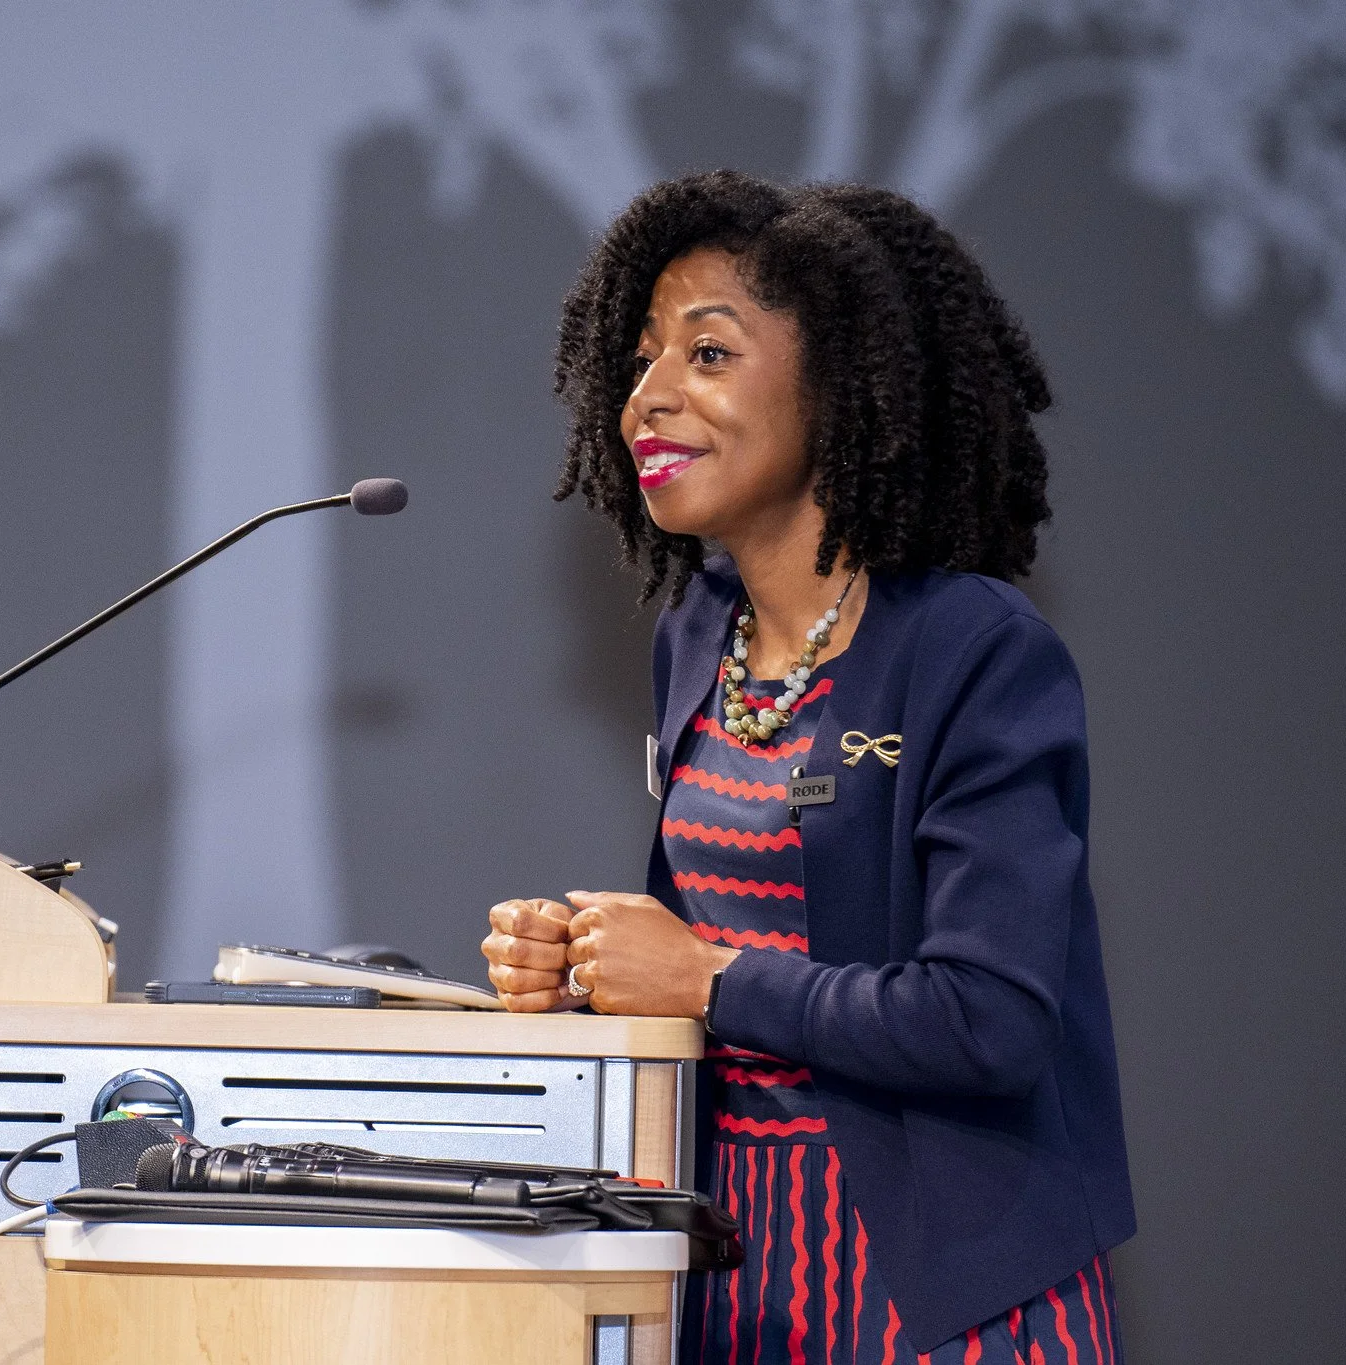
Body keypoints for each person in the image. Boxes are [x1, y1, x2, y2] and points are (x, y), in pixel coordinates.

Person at [481, 171, 1133, 1363]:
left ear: (835, 385)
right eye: (639, 361)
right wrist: (586, 964)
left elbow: (989, 1021)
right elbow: (712, 937)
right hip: (733, 1274)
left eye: (707, 356)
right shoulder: (698, 633)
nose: (647, 400)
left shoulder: (975, 653)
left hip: (944, 1295)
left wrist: (701, 977)